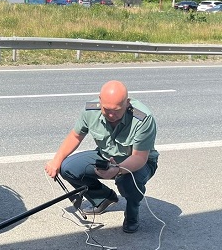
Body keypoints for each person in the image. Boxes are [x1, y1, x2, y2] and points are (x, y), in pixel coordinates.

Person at [45, 80, 158, 233]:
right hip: (106, 156)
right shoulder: (91, 110)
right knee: (68, 168)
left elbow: (139, 158)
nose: (111, 115)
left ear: (127, 103)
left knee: (127, 181)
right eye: (107, 109)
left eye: (117, 110)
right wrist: (56, 160)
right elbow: (75, 136)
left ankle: (132, 214)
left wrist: (117, 170)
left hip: (138, 163)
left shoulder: (143, 118)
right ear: (100, 101)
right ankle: (103, 198)